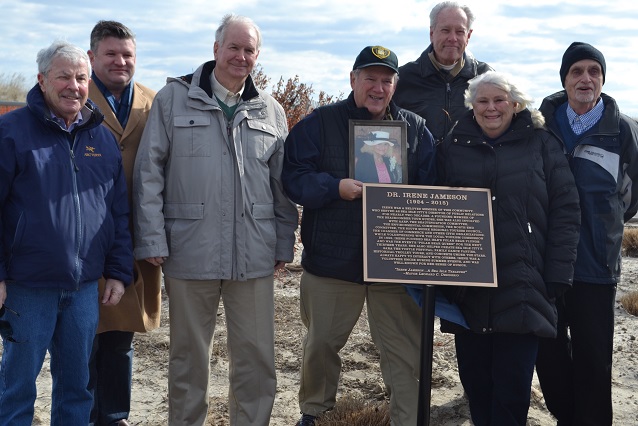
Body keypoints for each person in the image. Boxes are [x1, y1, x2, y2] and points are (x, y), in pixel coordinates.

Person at [132, 13, 298, 426]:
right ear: (215, 49)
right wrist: (152, 238)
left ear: (257, 56)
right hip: (190, 250)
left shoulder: (270, 110)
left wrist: (283, 242)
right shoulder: (173, 100)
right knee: (188, 357)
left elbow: (282, 187)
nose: (241, 57)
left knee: (257, 357)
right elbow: (148, 171)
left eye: (249, 50)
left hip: (254, 254)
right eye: (234, 47)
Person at [282, 45, 436, 426]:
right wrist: (335, 187)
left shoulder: (415, 129)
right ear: (353, 80)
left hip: (394, 265)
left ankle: (408, 418)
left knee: (404, 352)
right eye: (370, 78)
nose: (378, 87)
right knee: (320, 345)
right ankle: (314, 413)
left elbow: (433, 186)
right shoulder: (320, 122)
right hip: (333, 263)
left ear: (395, 86)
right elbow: (293, 177)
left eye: (386, 80)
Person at [0, 40, 133, 425]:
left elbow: (117, 212)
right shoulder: (10, 132)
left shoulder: (102, 139)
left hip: (83, 290)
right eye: (63, 77)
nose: (73, 86)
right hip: (28, 287)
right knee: (18, 385)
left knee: (77, 387)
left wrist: (119, 272)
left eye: (80, 78)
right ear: (42, 80)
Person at [436, 71, 580, 425]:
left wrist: (558, 274)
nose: (491, 108)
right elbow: (435, 208)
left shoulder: (541, 143)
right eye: (482, 101)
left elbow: (566, 208)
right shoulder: (453, 145)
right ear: (472, 106)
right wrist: (442, 279)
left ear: (515, 104)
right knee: (477, 387)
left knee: (512, 392)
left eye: (499, 100)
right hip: (469, 291)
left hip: (525, 288)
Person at [535, 42, 638, 426]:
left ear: (603, 79)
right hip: (544, 258)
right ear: (564, 79)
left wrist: (604, 223)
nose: (586, 78)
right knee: (547, 348)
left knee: (594, 355)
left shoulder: (624, 130)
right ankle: (567, 415)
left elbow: (631, 197)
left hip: (596, 260)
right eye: (576, 71)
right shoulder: (540, 127)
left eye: (594, 71)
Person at [86, 20, 161, 426]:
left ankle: (114, 417)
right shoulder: (71, 96)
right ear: (92, 56)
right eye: (111, 54)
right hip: (83, 236)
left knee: (119, 336)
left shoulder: (155, 102)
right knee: (82, 337)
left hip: (136, 233)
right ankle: (80, 414)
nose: (120, 61)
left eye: (127, 54)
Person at [393, 1, 492, 143]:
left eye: (460, 32)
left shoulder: (486, 79)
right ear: (432, 33)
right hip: (420, 165)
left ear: (468, 36)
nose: (452, 38)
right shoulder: (402, 79)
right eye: (445, 30)